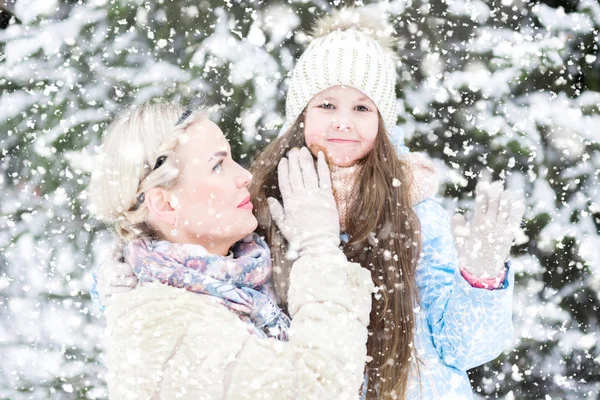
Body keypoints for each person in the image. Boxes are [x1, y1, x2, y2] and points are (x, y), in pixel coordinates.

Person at [248, 9, 525, 400]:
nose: (343, 122)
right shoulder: (267, 204)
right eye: (327, 105)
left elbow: (462, 349)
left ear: (382, 122)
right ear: (300, 114)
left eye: (362, 108)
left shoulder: (416, 209)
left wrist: (481, 280)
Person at [87, 102, 374, 399]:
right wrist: (319, 249)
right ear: (165, 204)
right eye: (218, 165)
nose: (244, 176)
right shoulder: (164, 326)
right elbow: (318, 387)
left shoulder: (238, 285)